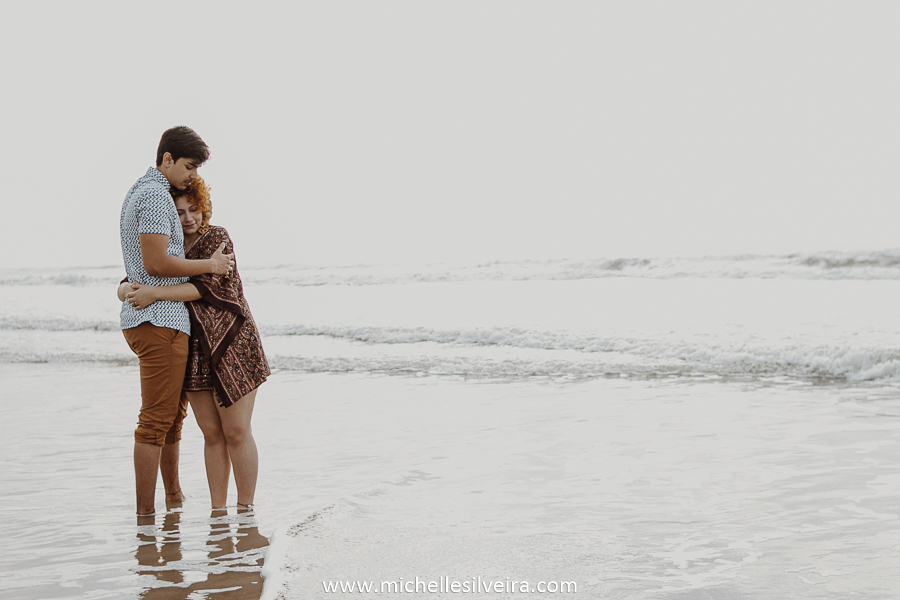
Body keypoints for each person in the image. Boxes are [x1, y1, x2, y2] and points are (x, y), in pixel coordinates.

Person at [119, 177, 269, 510]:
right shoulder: (169, 247)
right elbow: (134, 277)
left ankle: (245, 510)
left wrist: (154, 292)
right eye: (179, 211)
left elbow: (208, 288)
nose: (188, 218)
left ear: (204, 207)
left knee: (237, 432)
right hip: (196, 350)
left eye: (194, 209)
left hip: (233, 344)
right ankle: (218, 512)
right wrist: (126, 290)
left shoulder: (217, 237)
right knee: (211, 435)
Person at [120, 126, 234, 517]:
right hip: (160, 322)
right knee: (155, 422)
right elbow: (156, 263)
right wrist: (210, 265)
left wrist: (125, 289)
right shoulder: (154, 195)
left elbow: (141, 267)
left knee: (170, 420)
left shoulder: (143, 191)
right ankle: (145, 517)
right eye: (189, 166)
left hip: (154, 319)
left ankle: (172, 499)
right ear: (167, 159)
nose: (193, 176)